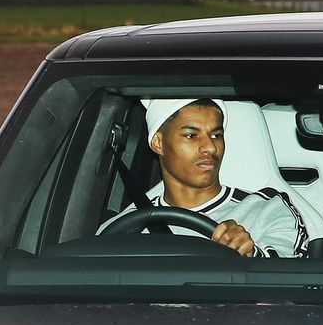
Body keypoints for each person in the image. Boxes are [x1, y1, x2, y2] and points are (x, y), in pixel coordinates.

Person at [101, 98, 309, 257]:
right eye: (192, 136)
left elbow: (290, 280)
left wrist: (252, 255)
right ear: (158, 143)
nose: (210, 147)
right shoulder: (122, 229)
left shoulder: (266, 209)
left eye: (216, 135)